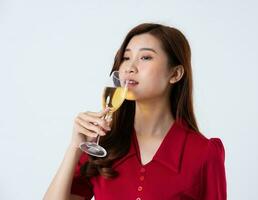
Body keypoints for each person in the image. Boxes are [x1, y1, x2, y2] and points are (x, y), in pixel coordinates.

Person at [43, 23, 227, 200]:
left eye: (145, 57)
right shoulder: (103, 145)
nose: (129, 67)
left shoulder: (204, 153)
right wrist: (75, 147)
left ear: (175, 74)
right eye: (126, 58)